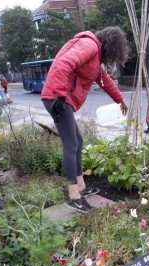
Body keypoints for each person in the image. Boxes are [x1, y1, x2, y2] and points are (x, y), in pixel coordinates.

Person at [41, 26, 129, 213]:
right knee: (71, 144)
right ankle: (73, 196)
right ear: (111, 46)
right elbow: (64, 64)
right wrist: (60, 94)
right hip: (58, 98)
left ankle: (81, 186)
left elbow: (104, 80)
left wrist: (119, 99)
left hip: (62, 98)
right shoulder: (89, 45)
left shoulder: (95, 57)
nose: (113, 59)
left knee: (78, 142)